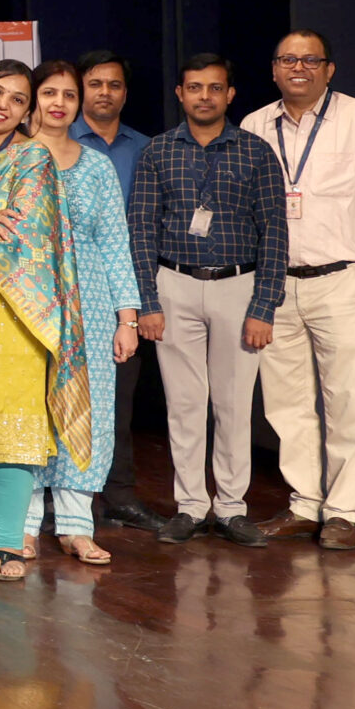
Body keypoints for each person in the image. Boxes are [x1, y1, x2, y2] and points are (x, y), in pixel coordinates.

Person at [240, 30, 355, 550]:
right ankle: (305, 504)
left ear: (329, 69)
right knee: (286, 404)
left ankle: (344, 512)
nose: (299, 68)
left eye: (311, 60)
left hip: (341, 279)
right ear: (273, 69)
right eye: (288, 59)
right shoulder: (255, 124)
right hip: (275, 284)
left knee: (348, 398)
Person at [127, 54, 287, 547]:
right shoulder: (158, 151)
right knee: (184, 404)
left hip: (239, 286)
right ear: (180, 94)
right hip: (173, 284)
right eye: (194, 87)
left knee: (234, 405)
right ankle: (191, 506)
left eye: (214, 88)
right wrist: (148, 301)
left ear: (230, 95)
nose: (204, 96)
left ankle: (232, 508)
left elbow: (275, 233)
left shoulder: (256, 152)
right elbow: (141, 229)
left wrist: (264, 307)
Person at [0, 59, 89, 579]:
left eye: (18, 99)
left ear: (28, 110)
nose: (4, 105)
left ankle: (9, 544)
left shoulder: (32, 158)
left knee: (12, 424)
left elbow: (22, 232)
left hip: (16, 310)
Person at [27, 62, 140, 566]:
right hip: (27, 303)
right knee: (31, 407)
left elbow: (115, 242)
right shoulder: (13, 159)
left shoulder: (96, 166)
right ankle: (23, 524)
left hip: (91, 306)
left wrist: (126, 318)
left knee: (87, 410)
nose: (59, 103)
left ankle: (76, 525)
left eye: (68, 95)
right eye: (48, 93)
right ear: (33, 99)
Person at [73, 50, 163, 532]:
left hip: (128, 285)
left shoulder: (147, 148)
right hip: (68, 286)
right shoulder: (56, 144)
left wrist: (137, 303)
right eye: (95, 84)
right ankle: (61, 502)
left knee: (119, 400)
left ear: (125, 93)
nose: (104, 92)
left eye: (114, 84)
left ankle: (120, 495)